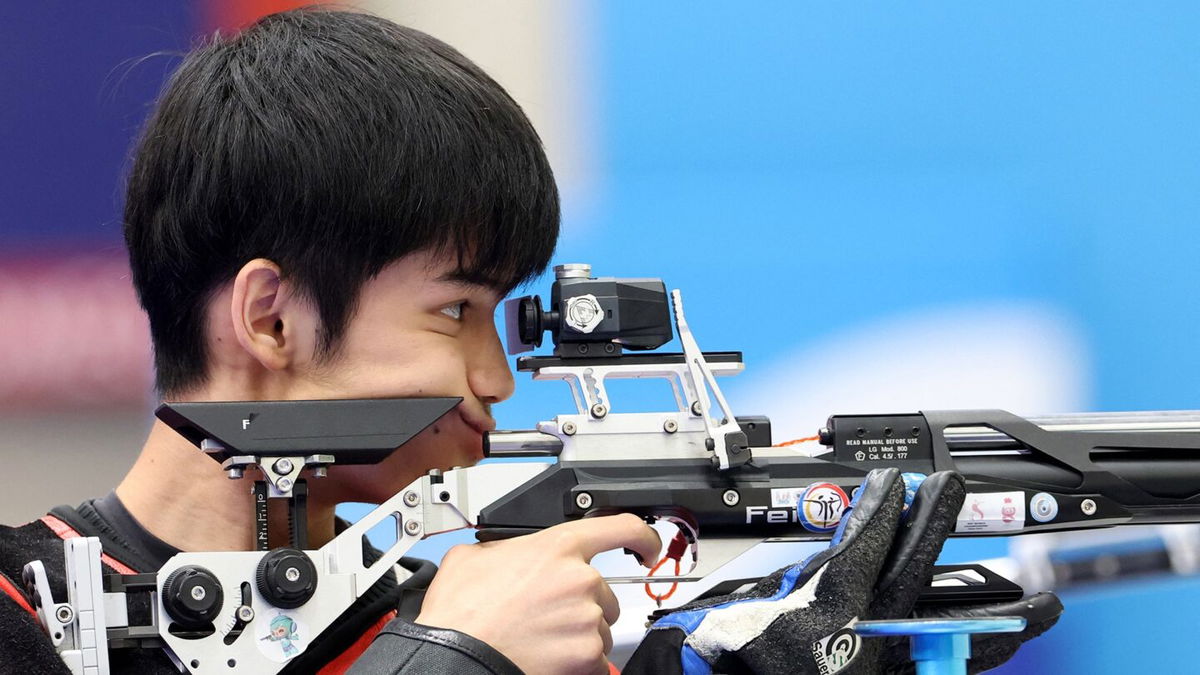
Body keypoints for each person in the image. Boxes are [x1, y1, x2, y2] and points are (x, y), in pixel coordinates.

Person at [0, 8, 1057, 675]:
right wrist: (450, 661)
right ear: (272, 317)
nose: (495, 380)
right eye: (454, 312)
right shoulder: (17, 614)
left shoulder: (484, 622)